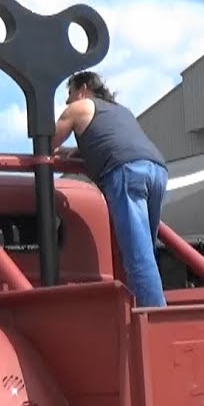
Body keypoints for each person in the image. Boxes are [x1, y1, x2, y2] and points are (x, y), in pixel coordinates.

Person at [51, 71, 169, 308]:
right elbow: (109, 140)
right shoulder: (120, 111)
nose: (67, 101)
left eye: (70, 94)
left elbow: (46, 143)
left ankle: (155, 319)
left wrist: (49, 152)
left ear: (83, 89)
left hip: (126, 173)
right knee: (146, 252)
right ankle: (143, 307)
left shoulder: (80, 107)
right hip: (157, 171)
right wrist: (79, 151)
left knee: (138, 257)